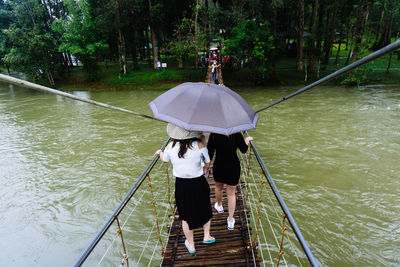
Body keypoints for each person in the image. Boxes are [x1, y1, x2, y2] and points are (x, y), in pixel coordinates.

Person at [155, 124, 215, 254]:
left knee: (186, 215)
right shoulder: (200, 145)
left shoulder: (170, 146)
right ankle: (206, 236)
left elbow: (164, 160)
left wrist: (160, 152)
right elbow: (208, 162)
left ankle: (191, 245)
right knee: (205, 208)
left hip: (182, 185)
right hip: (199, 183)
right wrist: (203, 142)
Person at [207, 132, 253, 230]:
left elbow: (210, 152)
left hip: (219, 166)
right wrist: (246, 141)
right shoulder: (237, 134)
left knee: (219, 188)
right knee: (231, 193)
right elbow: (243, 150)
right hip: (233, 167)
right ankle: (231, 220)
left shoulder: (214, 134)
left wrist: (207, 167)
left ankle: (219, 206)